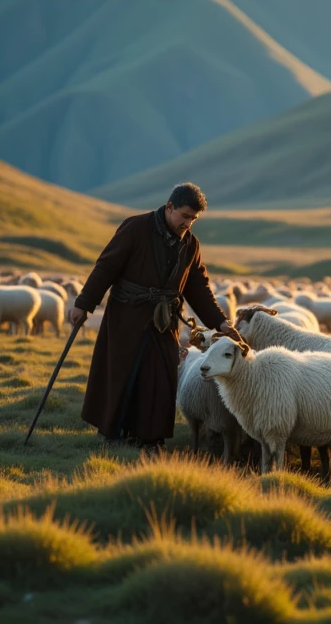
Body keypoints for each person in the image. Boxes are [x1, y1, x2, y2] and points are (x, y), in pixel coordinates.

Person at [67, 182, 234, 451]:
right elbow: (107, 266)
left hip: (163, 320)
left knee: (160, 377)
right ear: (170, 208)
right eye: (185, 216)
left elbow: (198, 286)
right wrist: (83, 304)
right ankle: (114, 433)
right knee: (122, 372)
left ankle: (149, 438)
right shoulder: (135, 228)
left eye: (193, 219)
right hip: (127, 315)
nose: (188, 224)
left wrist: (220, 322)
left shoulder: (190, 245)